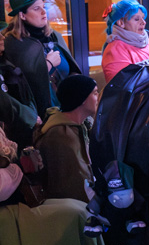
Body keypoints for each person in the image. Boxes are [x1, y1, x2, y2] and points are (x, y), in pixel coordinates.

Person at [3, 0, 79, 119]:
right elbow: (22, 86)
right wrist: (48, 64)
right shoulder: (13, 43)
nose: (44, 12)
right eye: (36, 8)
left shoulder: (54, 36)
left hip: (68, 111)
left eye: (44, 7)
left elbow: (72, 70)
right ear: (22, 15)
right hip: (40, 118)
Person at [33, 74, 99, 202]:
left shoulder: (80, 126)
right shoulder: (60, 137)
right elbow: (69, 189)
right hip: (73, 212)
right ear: (82, 98)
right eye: (95, 93)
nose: (98, 98)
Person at [101, 0, 149, 83]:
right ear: (121, 23)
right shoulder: (114, 50)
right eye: (136, 19)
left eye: (143, 18)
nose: (143, 22)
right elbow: (123, 88)